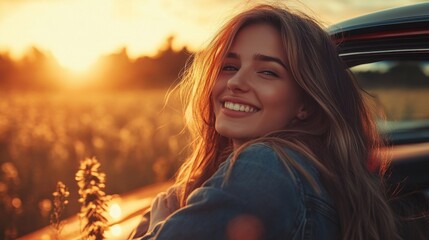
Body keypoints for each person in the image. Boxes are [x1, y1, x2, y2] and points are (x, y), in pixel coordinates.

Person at [132, 3, 402, 240]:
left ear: (305, 103)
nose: (237, 82)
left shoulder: (266, 166)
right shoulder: (315, 169)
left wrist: (159, 225)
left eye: (267, 72)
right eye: (229, 67)